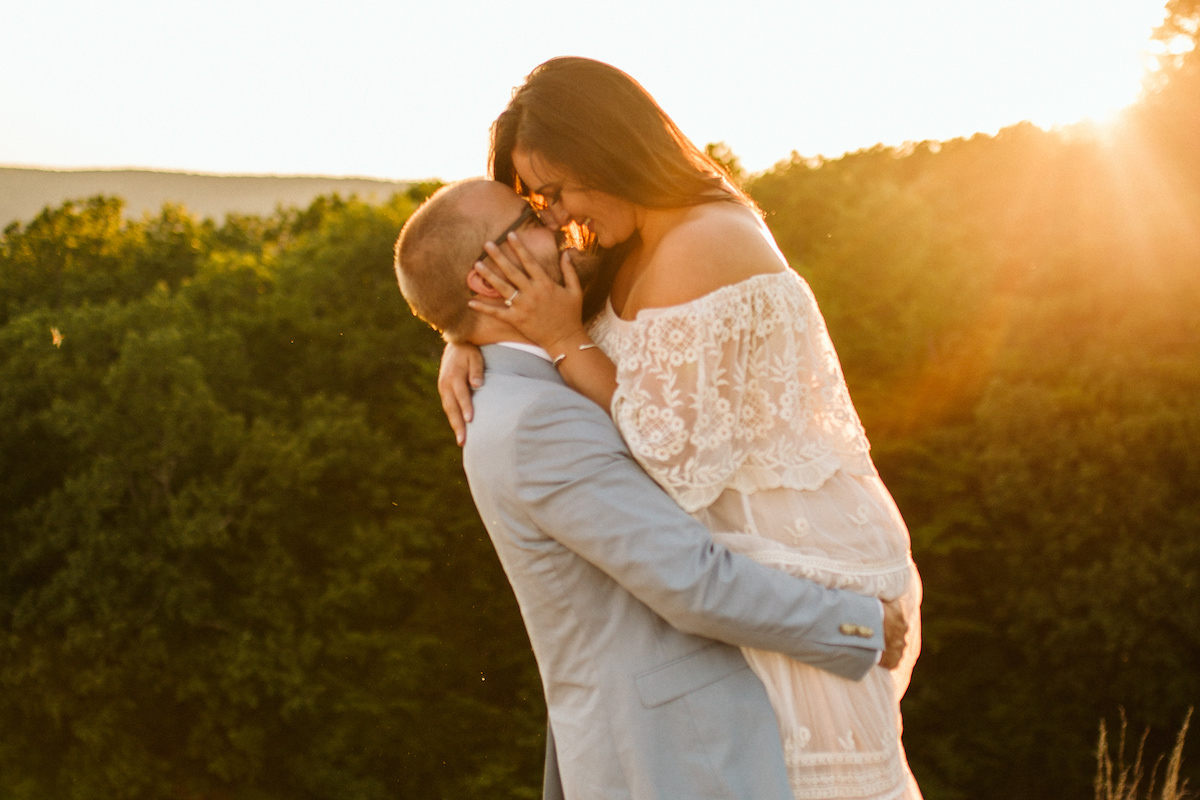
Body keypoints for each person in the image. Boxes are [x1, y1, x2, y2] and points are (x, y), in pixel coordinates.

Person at [441, 57, 923, 800]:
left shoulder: (707, 241)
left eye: (557, 190)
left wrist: (567, 341)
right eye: (537, 201)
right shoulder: (624, 242)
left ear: (609, 151)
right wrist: (464, 336)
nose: (559, 214)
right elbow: (506, 288)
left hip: (795, 562)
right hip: (739, 575)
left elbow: (670, 460)